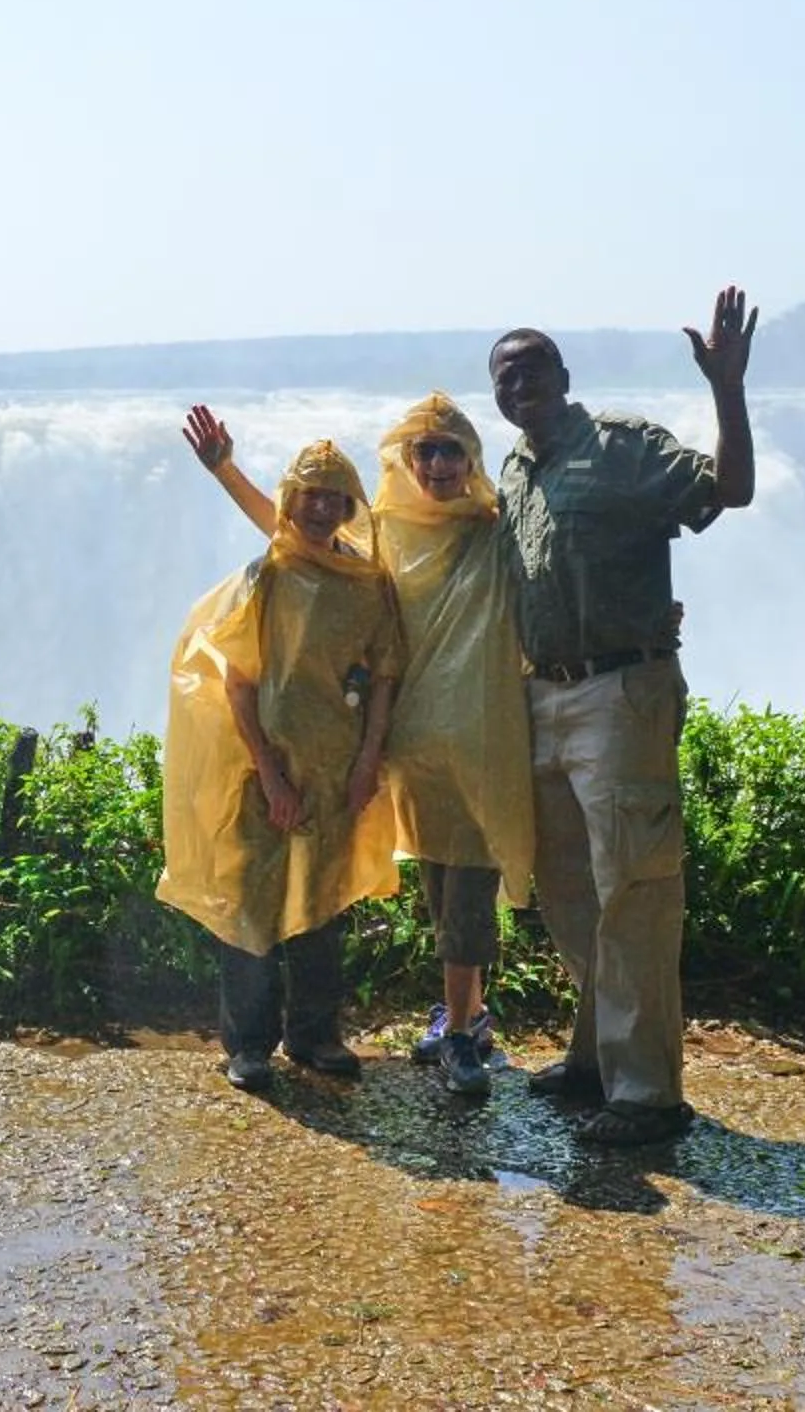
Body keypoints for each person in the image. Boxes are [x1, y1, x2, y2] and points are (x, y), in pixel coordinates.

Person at [186, 397, 533, 1102]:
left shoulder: (481, 536)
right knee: (268, 900)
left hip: (399, 755)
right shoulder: (339, 552)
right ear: (406, 461)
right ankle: (255, 1044)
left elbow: (552, 578)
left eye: (450, 450)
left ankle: (370, 1034)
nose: (437, 464)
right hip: (329, 760)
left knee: (346, 898)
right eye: (425, 451)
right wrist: (226, 470)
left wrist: (641, 619)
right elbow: (288, 556)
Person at [491, 285, 757, 1147]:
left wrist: (726, 386)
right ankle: (599, 1057)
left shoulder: (624, 446)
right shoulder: (514, 471)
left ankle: (646, 1095)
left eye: (533, 371)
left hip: (621, 691)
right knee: (567, 890)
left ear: (565, 376)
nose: (520, 387)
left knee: (634, 886)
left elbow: (732, 491)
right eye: (504, 378)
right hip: (541, 695)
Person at [156, 437, 408, 1093]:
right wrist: (269, 774)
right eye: (309, 495)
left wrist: (367, 764)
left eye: (334, 496)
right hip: (263, 770)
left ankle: (316, 1036)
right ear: (291, 501)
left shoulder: (368, 583)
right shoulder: (266, 576)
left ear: (351, 504)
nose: (321, 507)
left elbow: (384, 680)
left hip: (336, 771)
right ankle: (247, 1046)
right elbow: (240, 685)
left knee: (321, 908)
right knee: (255, 908)